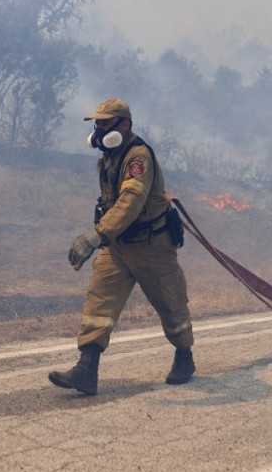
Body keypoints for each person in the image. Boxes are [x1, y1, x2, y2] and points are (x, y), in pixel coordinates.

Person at [48, 98, 195, 395]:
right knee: (99, 302)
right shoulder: (109, 157)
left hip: (152, 246)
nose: (99, 130)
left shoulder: (138, 157)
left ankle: (184, 357)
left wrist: (96, 234)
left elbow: (130, 203)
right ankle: (86, 370)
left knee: (171, 305)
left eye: (105, 123)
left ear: (124, 125)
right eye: (97, 124)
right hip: (117, 246)